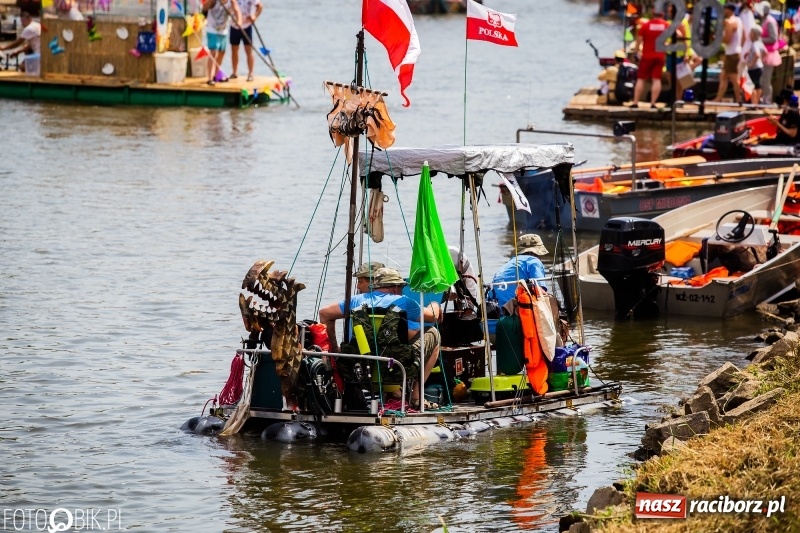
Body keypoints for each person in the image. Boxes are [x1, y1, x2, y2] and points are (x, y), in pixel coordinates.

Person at [318, 267, 443, 407]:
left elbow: (324, 314)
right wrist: (435, 304)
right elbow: (433, 317)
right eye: (401, 287)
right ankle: (415, 396)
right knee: (433, 333)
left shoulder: (355, 301)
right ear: (395, 287)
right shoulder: (404, 301)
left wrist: (335, 350)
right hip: (396, 367)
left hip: (361, 367)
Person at [490, 234, 548, 311]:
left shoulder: (508, 264)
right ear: (533, 253)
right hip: (518, 311)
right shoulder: (534, 261)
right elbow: (540, 292)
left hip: (497, 311)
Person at [630, 8, 668, 109]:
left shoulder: (646, 25)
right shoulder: (666, 25)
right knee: (656, 79)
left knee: (641, 79)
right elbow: (678, 35)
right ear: (662, 14)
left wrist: (636, 52)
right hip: (660, 56)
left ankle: (635, 102)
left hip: (647, 56)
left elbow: (639, 40)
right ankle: (653, 103)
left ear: (652, 13)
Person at [202, 0, 242, 86]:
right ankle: (209, 78)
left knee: (222, 53)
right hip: (212, 29)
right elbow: (205, 7)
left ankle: (216, 75)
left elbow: (237, 10)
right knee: (213, 52)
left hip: (223, 30)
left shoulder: (231, 1)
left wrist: (239, 21)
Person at [714, 3, 743, 103]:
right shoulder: (738, 20)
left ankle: (739, 99)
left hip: (732, 54)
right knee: (723, 76)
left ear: (729, 10)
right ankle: (718, 98)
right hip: (734, 52)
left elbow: (727, 40)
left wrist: (718, 38)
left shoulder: (730, 23)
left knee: (734, 79)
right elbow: (743, 37)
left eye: (725, 9)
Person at [229, 0, 262, 82]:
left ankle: (251, 73)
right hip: (234, 25)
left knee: (248, 50)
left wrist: (254, 16)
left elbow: (260, 6)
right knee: (234, 49)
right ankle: (234, 72)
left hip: (247, 25)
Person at [757, 0, 780, 104]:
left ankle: (767, 100)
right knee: (762, 79)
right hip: (763, 53)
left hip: (769, 55)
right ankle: (763, 99)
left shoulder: (770, 21)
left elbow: (773, 38)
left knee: (766, 79)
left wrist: (760, 40)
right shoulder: (764, 20)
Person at [744, 26, 767, 106]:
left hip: (754, 68)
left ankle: (753, 104)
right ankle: (756, 104)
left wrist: (751, 64)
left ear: (753, 34)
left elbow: (757, 54)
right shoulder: (760, 43)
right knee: (758, 86)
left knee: (752, 86)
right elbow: (765, 53)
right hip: (760, 67)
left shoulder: (754, 44)